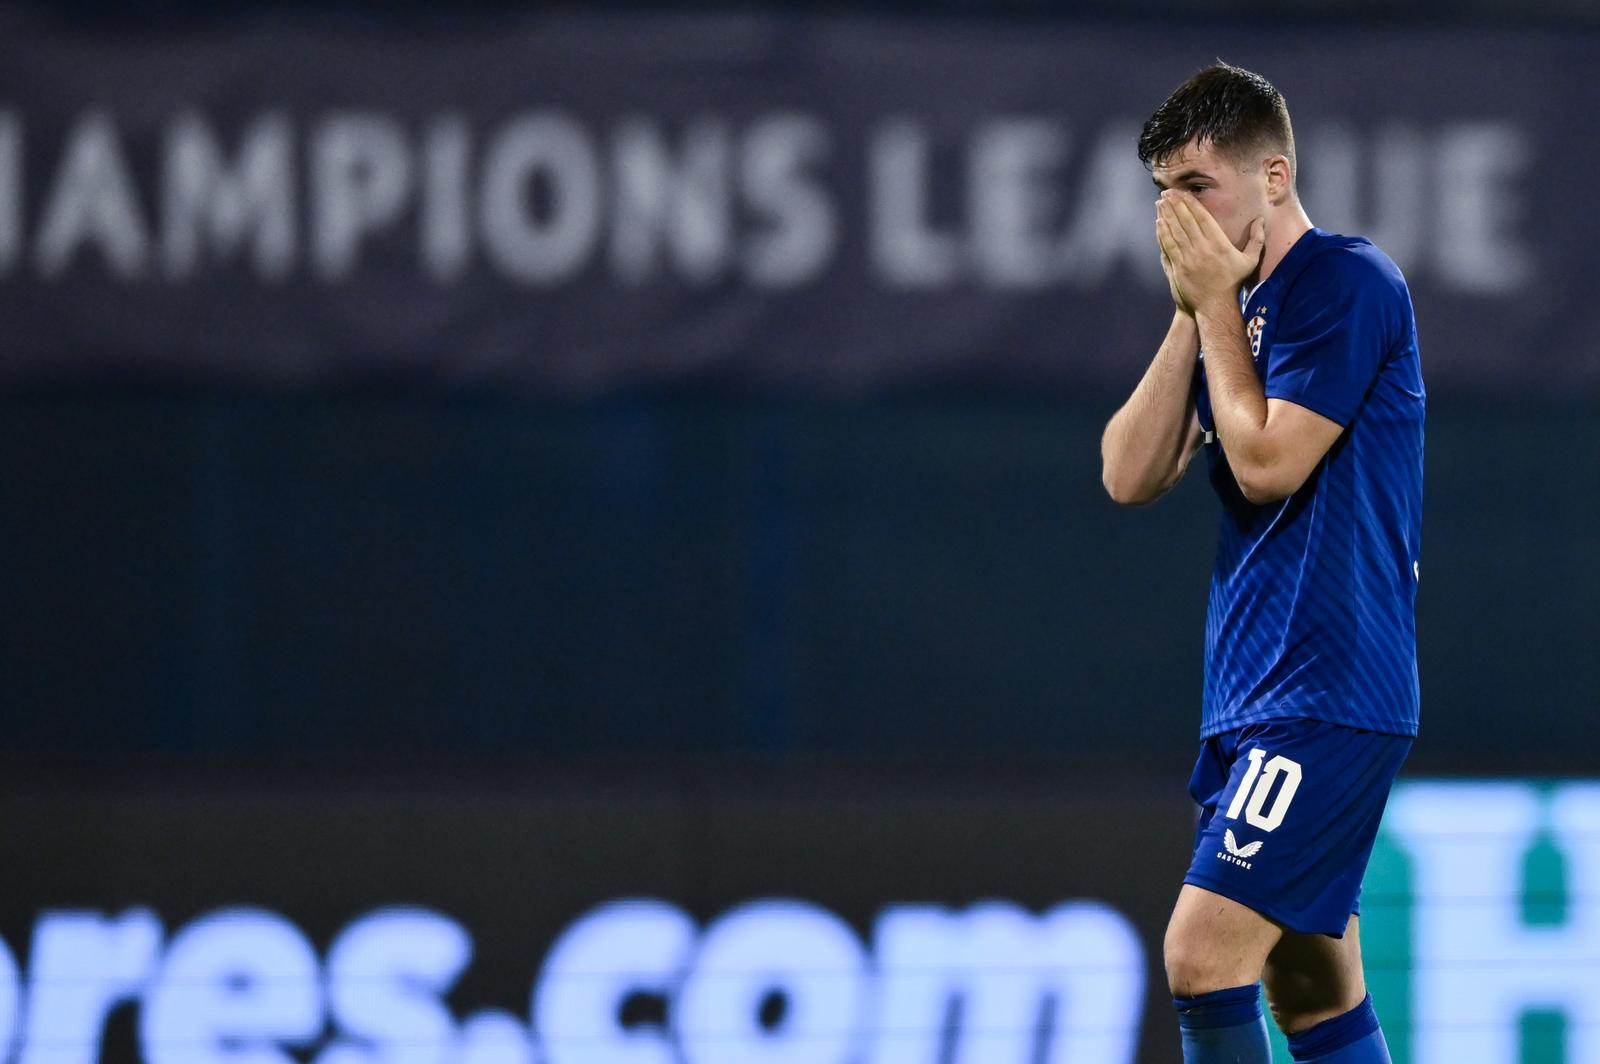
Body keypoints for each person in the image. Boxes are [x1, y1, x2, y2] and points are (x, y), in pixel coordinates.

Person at [1100, 63, 1424, 1064]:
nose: (1176, 215)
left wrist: (1215, 314)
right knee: (1308, 983)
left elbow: (1268, 460)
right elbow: (1126, 470)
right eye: (1162, 194)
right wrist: (1192, 311)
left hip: (1328, 685)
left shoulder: (1345, 281)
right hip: (1252, 692)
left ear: (1273, 176)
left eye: (1197, 188)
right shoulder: (1226, 311)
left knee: (1202, 953)